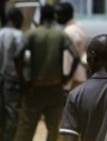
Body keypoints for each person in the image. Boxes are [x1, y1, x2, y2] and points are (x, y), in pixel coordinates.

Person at [14, 5, 79, 141]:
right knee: (53, 128)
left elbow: (17, 55)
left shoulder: (32, 34)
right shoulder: (60, 35)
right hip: (55, 89)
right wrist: (66, 77)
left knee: (26, 128)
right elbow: (76, 56)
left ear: (41, 17)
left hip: (34, 89)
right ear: (54, 17)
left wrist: (23, 81)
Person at [0, 7, 24, 141]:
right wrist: (23, 80)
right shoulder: (18, 35)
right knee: (12, 113)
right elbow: (18, 57)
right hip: (12, 80)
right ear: (18, 20)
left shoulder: (0, 32)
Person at [55, 2, 88, 91]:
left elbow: (68, 59)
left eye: (58, 14)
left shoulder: (69, 32)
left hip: (73, 79)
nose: (56, 17)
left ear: (66, 14)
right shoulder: (78, 26)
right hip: (80, 75)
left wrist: (66, 81)